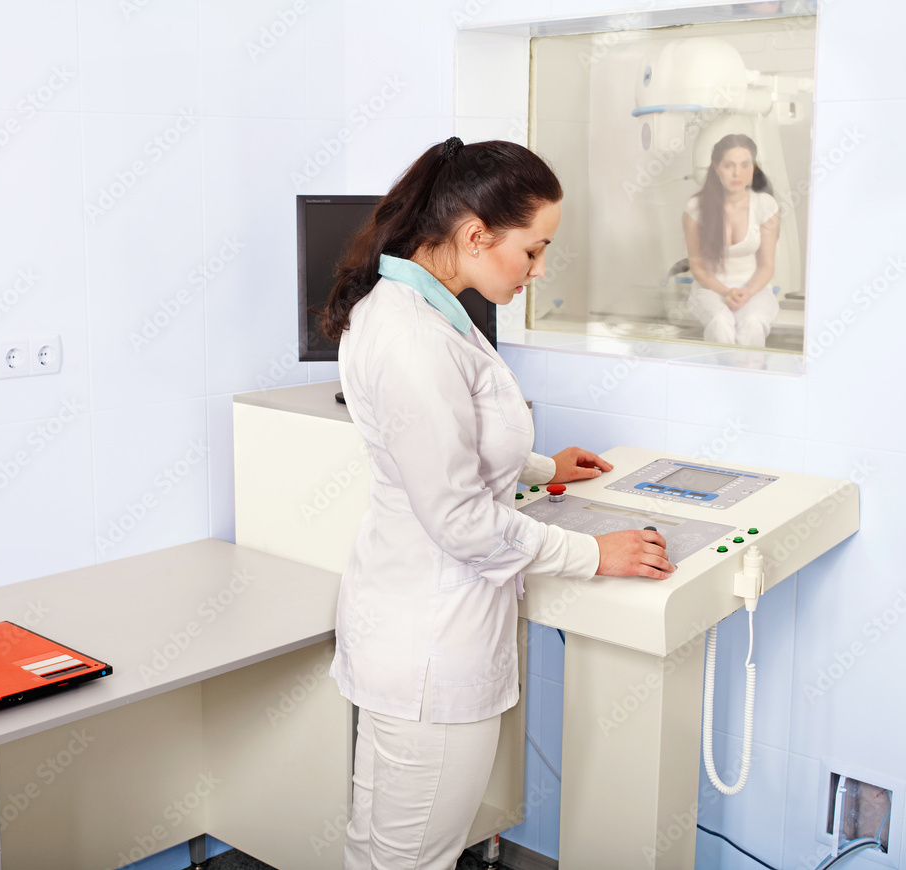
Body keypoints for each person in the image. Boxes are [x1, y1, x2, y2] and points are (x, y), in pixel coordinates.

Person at [321, 137, 674, 870]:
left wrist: (545, 470)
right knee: (410, 857)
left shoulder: (430, 311)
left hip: (424, 627)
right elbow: (457, 519)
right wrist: (594, 554)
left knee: (393, 848)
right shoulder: (411, 338)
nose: (540, 270)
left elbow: (458, 450)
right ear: (476, 235)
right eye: (535, 250)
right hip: (427, 645)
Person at [682, 133, 781, 347]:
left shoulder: (765, 206)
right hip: (709, 290)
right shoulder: (695, 208)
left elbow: (766, 265)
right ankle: (719, 376)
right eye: (729, 165)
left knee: (753, 322)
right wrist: (726, 292)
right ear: (716, 168)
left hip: (754, 288)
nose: (737, 173)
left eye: (745, 165)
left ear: (753, 167)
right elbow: (697, 267)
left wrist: (749, 292)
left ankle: (750, 377)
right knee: (720, 322)